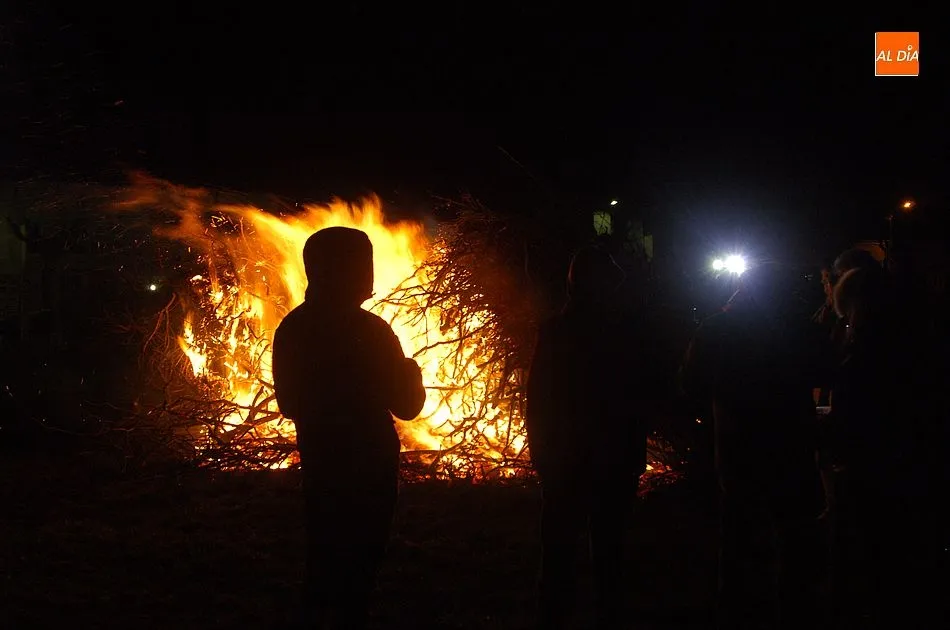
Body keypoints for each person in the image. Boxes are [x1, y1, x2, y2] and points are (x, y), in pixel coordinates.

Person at [272, 226, 426, 629]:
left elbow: (289, 404)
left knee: (324, 550)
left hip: (321, 457)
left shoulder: (292, 328)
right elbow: (408, 406)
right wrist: (410, 371)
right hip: (371, 460)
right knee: (364, 554)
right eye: (362, 263)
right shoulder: (371, 331)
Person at [680, 263, 826, 630]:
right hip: (791, 448)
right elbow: (826, 370)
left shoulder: (718, 328)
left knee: (739, 538)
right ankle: (793, 612)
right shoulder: (798, 329)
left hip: (738, 448)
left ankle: (737, 612)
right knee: (793, 540)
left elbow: (690, 384)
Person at [525, 244, 653, 630]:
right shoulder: (626, 334)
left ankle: (555, 618)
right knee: (609, 555)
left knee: (560, 556)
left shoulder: (557, 331)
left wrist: (542, 455)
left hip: (569, 461)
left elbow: (538, 397)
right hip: (607, 460)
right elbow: (641, 397)